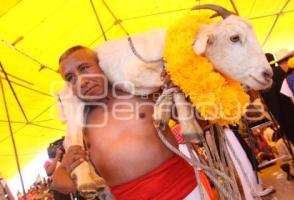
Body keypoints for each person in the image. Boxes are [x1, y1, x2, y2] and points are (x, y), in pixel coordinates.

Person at [52, 45, 211, 199]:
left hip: (185, 189)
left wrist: (181, 93)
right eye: (70, 78)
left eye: (84, 67)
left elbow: (201, 124)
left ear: (102, 66)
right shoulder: (80, 128)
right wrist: (66, 167)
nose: (81, 81)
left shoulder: (142, 92)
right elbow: (60, 183)